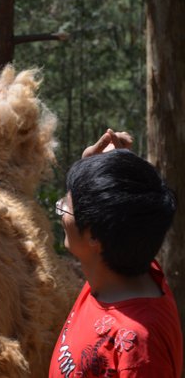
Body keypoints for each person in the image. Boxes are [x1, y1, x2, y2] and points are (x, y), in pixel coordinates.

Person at [49, 129, 183, 377]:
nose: (60, 208)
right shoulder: (122, 260)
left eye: (67, 206)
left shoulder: (141, 351)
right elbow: (128, 213)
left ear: (96, 236)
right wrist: (99, 168)